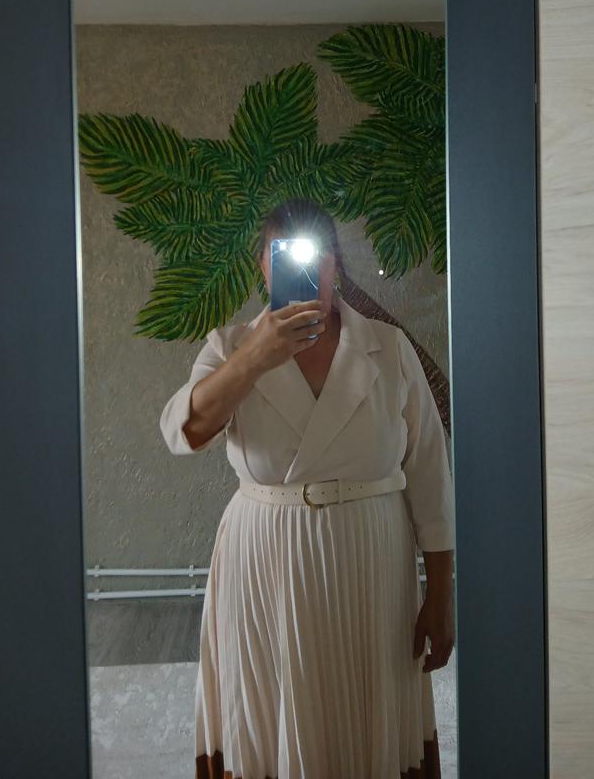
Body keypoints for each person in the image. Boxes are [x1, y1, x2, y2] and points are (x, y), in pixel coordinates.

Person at [160, 198, 456, 779]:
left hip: (371, 566)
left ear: (335, 264)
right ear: (263, 268)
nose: (304, 271)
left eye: (315, 256)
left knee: (365, 720)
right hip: (264, 566)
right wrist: (254, 359)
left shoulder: (387, 349)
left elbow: (429, 474)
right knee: (268, 715)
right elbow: (184, 432)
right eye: (284, 256)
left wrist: (442, 594)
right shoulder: (229, 348)